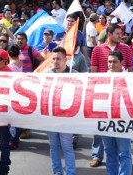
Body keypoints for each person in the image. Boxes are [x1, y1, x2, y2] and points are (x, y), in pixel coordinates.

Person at [90, 23, 133, 168]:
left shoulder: (126, 49)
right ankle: (97, 155)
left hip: (121, 101)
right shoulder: (97, 50)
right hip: (103, 99)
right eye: (117, 33)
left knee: (123, 149)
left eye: (120, 33)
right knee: (101, 134)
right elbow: (93, 72)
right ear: (109, 34)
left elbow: (131, 70)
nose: (120, 36)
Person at [46, 47, 77, 175]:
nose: (56, 61)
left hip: (66, 118)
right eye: (53, 59)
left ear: (66, 59)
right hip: (51, 117)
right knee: (54, 146)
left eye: (58, 58)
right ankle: (57, 171)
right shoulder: (47, 74)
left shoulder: (74, 75)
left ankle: (70, 172)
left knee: (67, 147)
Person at [102, 50, 133, 175]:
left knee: (124, 153)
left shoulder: (131, 79)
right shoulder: (101, 78)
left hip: (123, 121)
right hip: (106, 120)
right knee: (110, 152)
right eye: (109, 62)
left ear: (122, 63)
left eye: (114, 62)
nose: (111, 64)